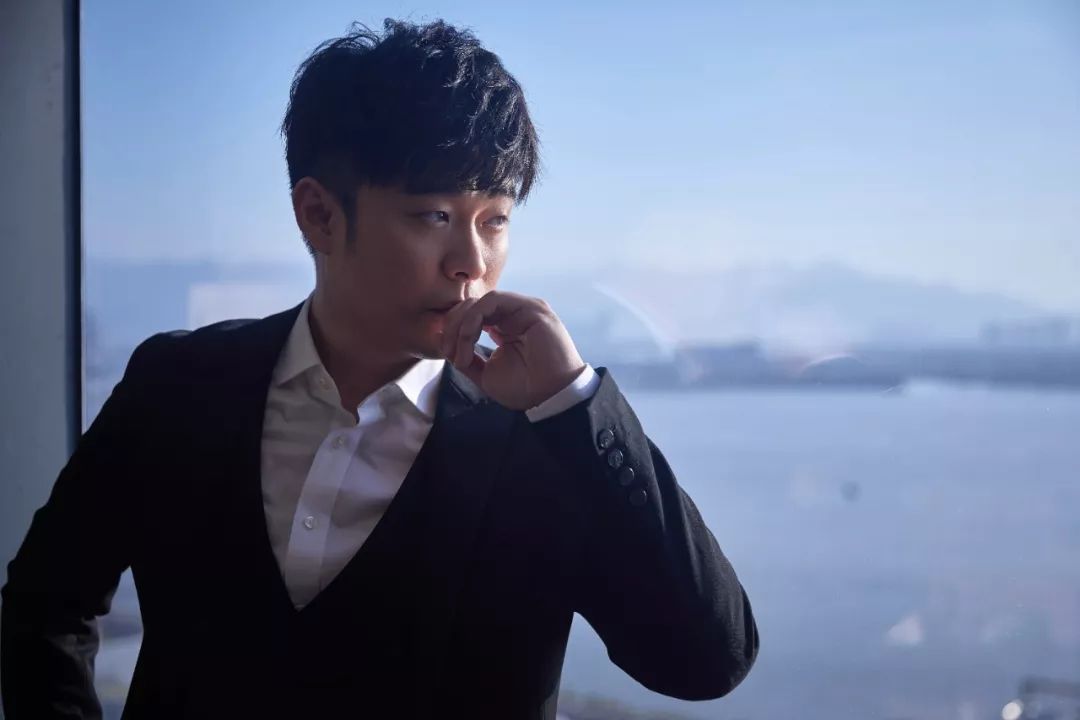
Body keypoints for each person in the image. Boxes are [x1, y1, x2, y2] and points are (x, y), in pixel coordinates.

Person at [1, 18, 758, 719]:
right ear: (319, 215)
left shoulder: (546, 436)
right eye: (434, 216)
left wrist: (573, 399)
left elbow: (704, 662)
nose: (472, 262)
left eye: (495, 220)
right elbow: (43, 605)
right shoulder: (177, 385)